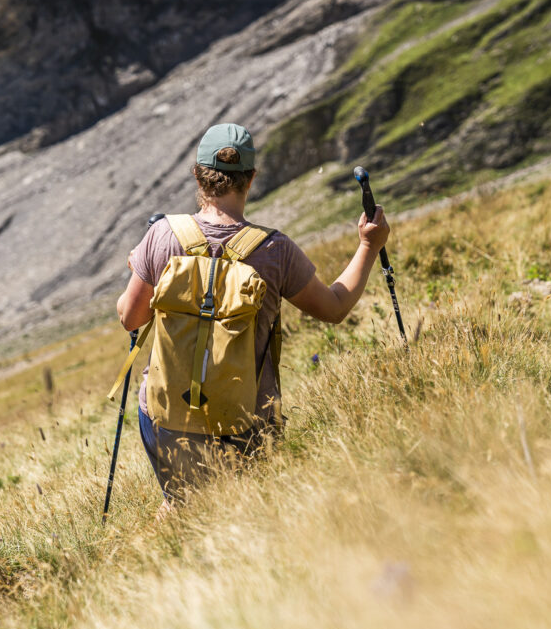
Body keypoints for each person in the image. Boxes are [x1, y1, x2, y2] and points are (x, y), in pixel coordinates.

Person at [116, 123, 390, 512]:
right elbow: (334, 308)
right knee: (244, 516)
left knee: (180, 505)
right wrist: (368, 245)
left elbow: (130, 318)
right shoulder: (275, 250)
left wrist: (138, 268)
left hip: (165, 417)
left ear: (197, 174)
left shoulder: (162, 235)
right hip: (246, 421)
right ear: (252, 179)